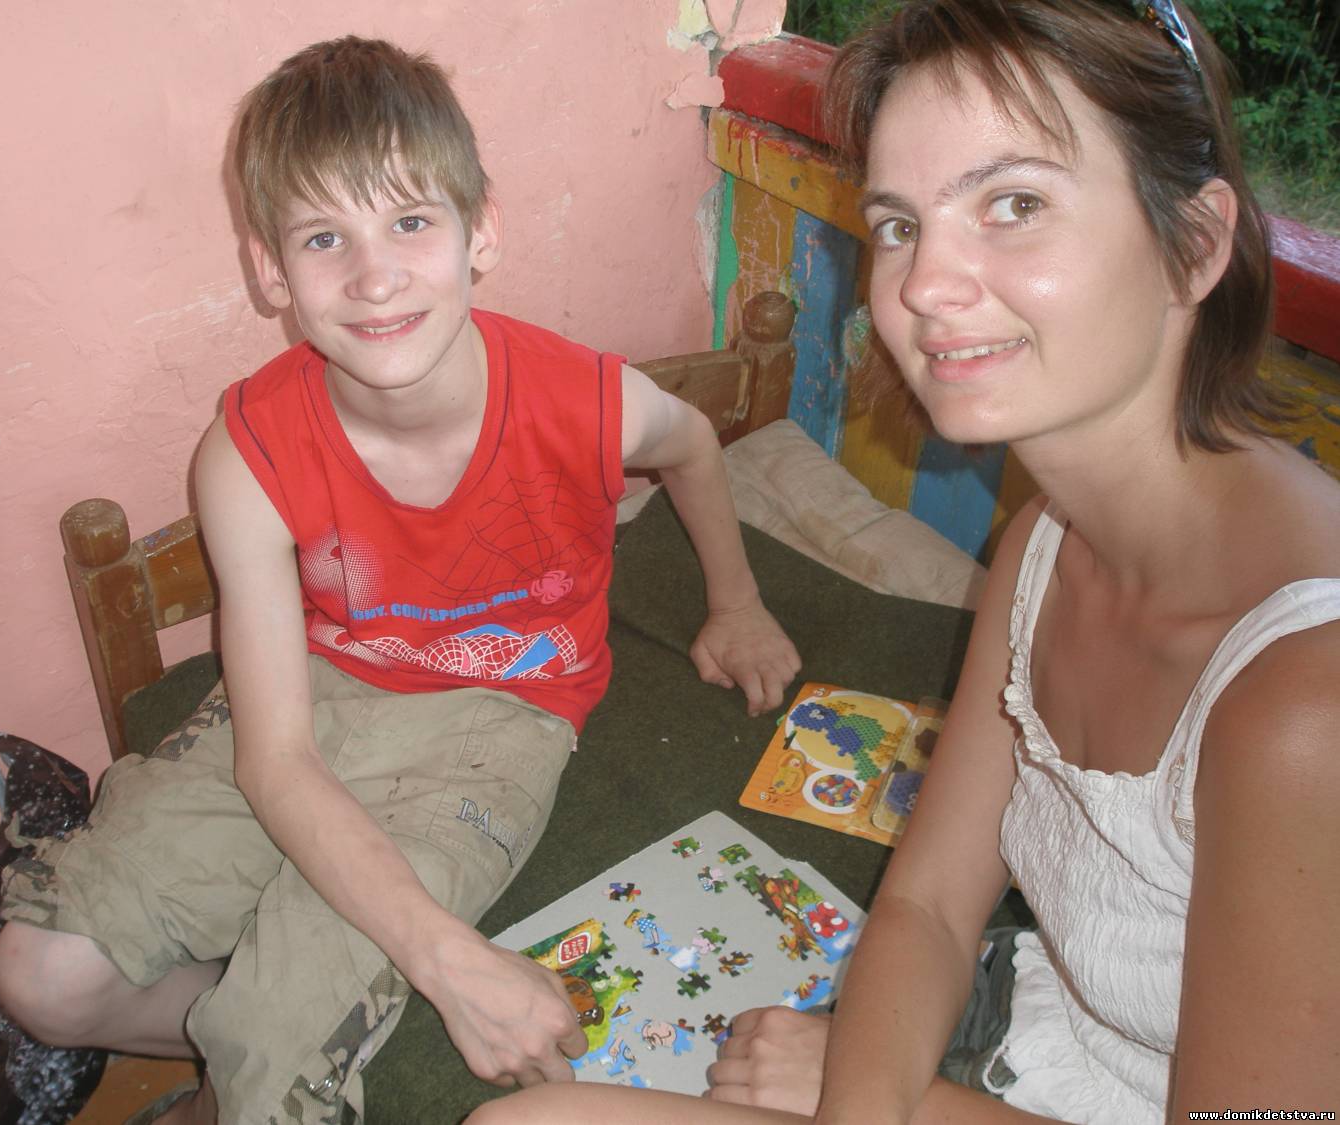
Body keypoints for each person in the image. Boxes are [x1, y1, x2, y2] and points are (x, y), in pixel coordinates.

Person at [467, 1, 1340, 1123]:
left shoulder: (1303, 705)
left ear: (1197, 244)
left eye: (1015, 204)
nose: (924, 284)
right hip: (1040, 1027)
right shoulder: (1043, 543)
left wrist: (898, 1100)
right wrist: (861, 1098)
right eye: (898, 224)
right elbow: (927, 905)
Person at [0, 36, 800, 1124]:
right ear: (270, 271)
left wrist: (736, 603)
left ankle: (249, 1052)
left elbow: (695, 443)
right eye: (325, 237)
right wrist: (453, 966)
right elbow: (278, 759)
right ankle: (242, 1036)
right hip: (320, 692)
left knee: (275, 1048)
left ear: (481, 231)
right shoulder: (247, 454)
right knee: (39, 977)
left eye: (411, 222)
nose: (374, 278)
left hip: (499, 714)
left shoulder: (581, 403)